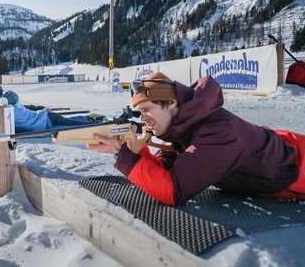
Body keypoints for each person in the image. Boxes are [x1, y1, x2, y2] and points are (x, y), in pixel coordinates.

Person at [88, 72, 305, 205]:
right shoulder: (181, 126)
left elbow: (173, 191)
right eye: (139, 111)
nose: (143, 118)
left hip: (298, 162)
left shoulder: (217, 132)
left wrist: (124, 156)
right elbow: (166, 170)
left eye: (146, 109)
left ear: (171, 103)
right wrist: (135, 151)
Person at [0, 82, 103, 135]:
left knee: (80, 127)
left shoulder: (2, 108)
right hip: (46, 117)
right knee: (70, 122)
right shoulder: (3, 103)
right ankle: (92, 119)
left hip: (45, 120)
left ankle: (102, 125)